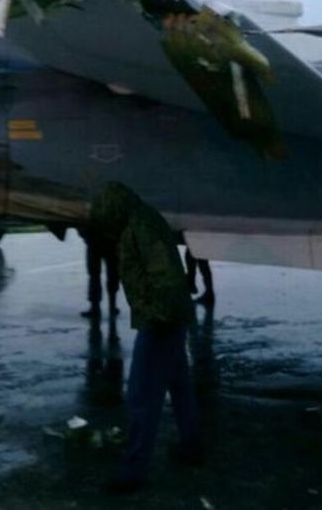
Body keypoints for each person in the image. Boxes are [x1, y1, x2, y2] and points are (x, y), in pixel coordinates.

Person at [89, 182, 203, 493]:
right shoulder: (140, 220)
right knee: (179, 386)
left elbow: (163, 274)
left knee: (141, 396)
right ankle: (192, 446)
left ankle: (132, 471)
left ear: (114, 208)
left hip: (161, 320)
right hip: (170, 316)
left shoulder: (140, 226)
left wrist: (158, 318)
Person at [78, 227, 120, 320]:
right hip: (110, 241)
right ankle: (112, 306)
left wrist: (85, 235)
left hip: (94, 241)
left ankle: (95, 307)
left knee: (94, 275)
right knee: (112, 274)